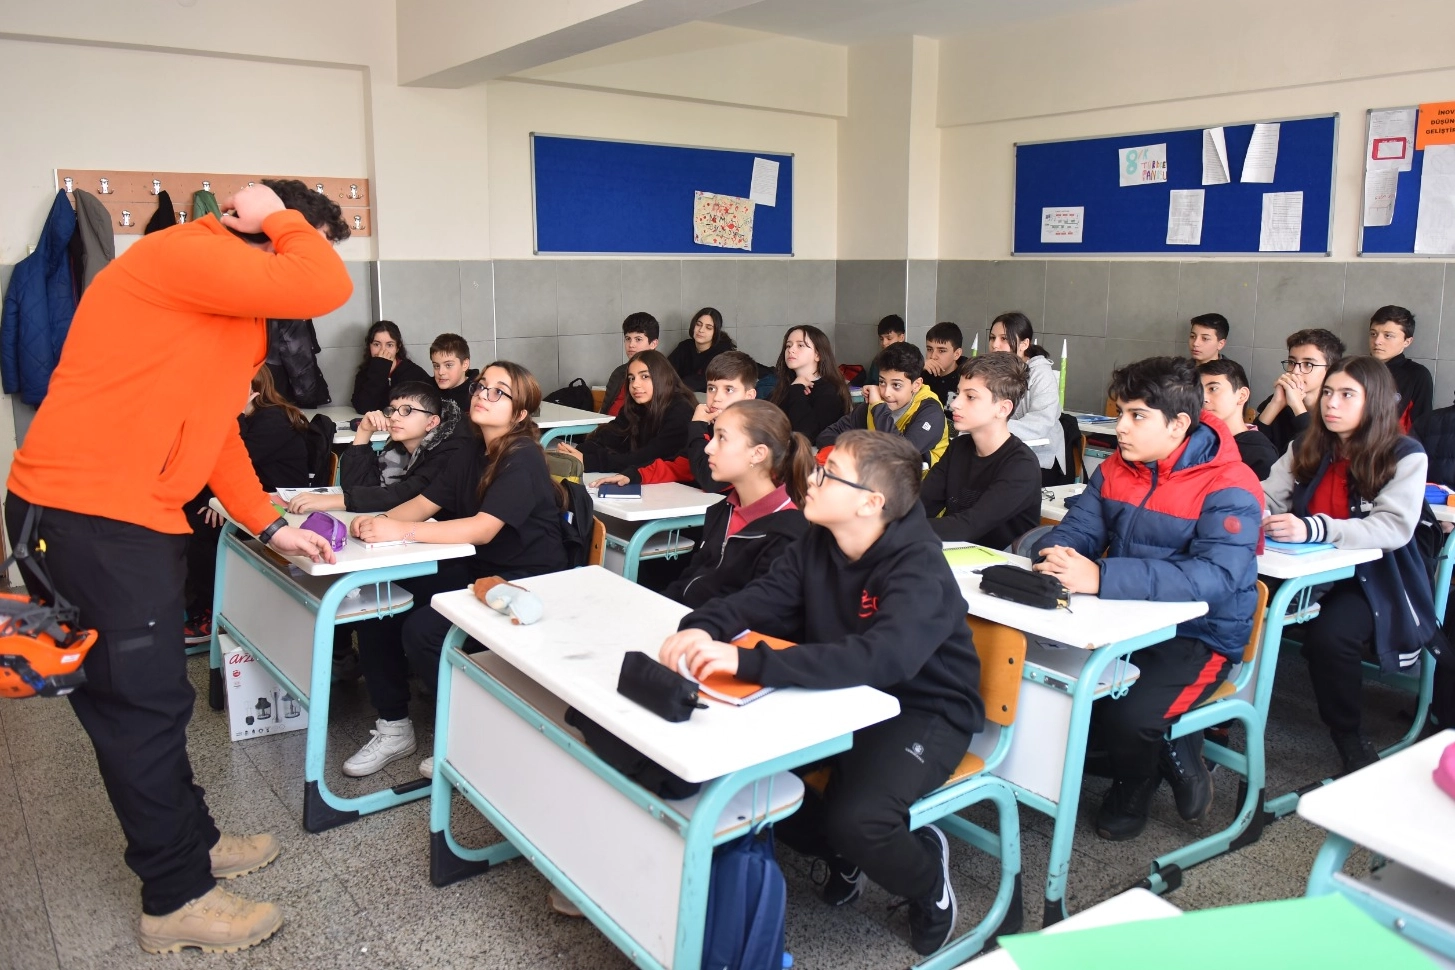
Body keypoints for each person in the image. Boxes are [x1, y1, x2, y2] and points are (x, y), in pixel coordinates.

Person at [4, 180, 350, 953]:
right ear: (261, 227)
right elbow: (324, 282)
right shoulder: (187, 254)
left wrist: (268, 525)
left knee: (156, 697)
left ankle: (194, 842)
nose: (295, 265)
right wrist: (275, 214)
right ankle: (174, 899)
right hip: (91, 514)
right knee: (139, 708)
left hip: (129, 514)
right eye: (290, 240)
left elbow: (215, 427)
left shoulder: (221, 300)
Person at [660, 431, 983, 957]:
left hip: (924, 708)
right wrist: (704, 625)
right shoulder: (819, 539)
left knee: (858, 820)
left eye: (829, 475)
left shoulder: (917, 565)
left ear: (870, 503)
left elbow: (884, 658)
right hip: (840, 694)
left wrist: (749, 663)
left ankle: (926, 879)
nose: (811, 478)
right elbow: (762, 597)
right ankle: (842, 855)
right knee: (750, 789)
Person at [1033, 357, 1261, 842]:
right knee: (1056, 696)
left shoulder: (1231, 482)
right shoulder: (1117, 467)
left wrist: (1102, 576)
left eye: (1137, 416)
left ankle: (1135, 786)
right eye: (1121, 413)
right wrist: (1056, 553)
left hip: (1201, 634)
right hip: (1125, 619)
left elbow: (1217, 576)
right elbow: (1080, 527)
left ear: (1178, 424)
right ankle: (1167, 748)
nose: (1121, 427)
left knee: (1129, 718)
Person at [342, 362, 571, 779]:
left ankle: (472, 735)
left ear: (520, 413)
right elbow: (425, 504)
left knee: (424, 630)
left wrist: (401, 531)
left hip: (523, 584)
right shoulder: (471, 449)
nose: (483, 394)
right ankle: (394, 727)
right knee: (379, 600)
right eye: (482, 386)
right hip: (477, 571)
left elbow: (483, 529)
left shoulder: (522, 457)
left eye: (499, 391)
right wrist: (377, 524)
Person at [1262, 356, 1440, 774]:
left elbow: (1392, 527)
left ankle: (1348, 734)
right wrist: (1246, 509)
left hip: (1372, 578)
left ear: (1373, 401)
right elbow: (1267, 495)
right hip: (1307, 571)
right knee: (1236, 605)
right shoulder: (1306, 445)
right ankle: (1214, 722)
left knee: (1332, 636)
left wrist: (1314, 528)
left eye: (1346, 395)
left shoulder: (1404, 454)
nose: (1331, 403)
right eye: (1327, 393)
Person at [183, 364, 314, 645]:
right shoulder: (252, 417)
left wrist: (237, 413)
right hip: (259, 497)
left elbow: (239, 460)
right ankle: (196, 605)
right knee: (189, 511)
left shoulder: (274, 419)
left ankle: (211, 610)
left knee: (200, 527)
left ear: (255, 390)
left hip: (280, 505)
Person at [661, 400, 811, 607]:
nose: (709, 448)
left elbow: (754, 612)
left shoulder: (786, 535)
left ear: (757, 453)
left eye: (722, 438)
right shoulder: (722, 511)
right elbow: (688, 582)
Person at [285, 381, 467, 515]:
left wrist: (334, 500)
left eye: (407, 411)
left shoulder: (448, 451)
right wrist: (364, 432)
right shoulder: (395, 447)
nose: (394, 417)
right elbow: (357, 486)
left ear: (432, 422)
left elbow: (407, 495)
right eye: (392, 409)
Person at [920, 353, 1041, 548]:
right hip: (956, 555)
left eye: (970, 397)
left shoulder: (1021, 466)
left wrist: (892, 528)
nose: (954, 404)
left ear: (1003, 409)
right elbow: (921, 504)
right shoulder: (959, 448)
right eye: (958, 393)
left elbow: (968, 526)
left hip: (1001, 563)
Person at [593, 350, 757, 489]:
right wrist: (634, 475)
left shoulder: (755, 437)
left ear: (749, 396)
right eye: (712, 388)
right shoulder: (711, 428)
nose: (717, 397)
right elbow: (680, 466)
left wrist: (697, 427)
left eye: (729, 390)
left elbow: (710, 480)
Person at [557, 350, 696, 474]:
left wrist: (589, 461)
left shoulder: (681, 411)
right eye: (631, 378)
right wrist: (577, 453)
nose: (635, 384)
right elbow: (609, 436)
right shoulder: (637, 406)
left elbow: (648, 458)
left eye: (644, 376)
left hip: (679, 488)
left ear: (662, 377)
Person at [816, 342, 948, 467]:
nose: (886, 393)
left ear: (916, 385)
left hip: (922, 481)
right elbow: (827, 436)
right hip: (879, 478)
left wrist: (878, 406)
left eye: (896, 385)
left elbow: (902, 453)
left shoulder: (930, 411)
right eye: (882, 382)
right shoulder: (873, 404)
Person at [988, 312, 1066, 485]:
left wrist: (992, 427)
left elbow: (1040, 424)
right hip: (1001, 454)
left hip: (1039, 460)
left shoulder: (1041, 374)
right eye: (992, 338)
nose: (995, 345)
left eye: (1004, 339)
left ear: (1024, 344)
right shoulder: (991, 373)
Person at [1254, 328, 1345, 456]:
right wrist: (1275, 404)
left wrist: (1297, 406)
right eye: (1292, 362)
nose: (1295, 371)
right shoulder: (1279, 400)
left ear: (1330, 370)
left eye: (1308, 364)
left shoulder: (1336, 410)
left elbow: (1318, 455)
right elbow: (1250, 449)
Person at [768, 325, 853, 442]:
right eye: (788, 345)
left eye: (800, 345)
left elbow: (806, 435)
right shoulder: (786, 385)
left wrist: (797, 390)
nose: (791, 350)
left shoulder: (830, 391)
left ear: (818, 355)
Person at [1198, 359, 1277, 480]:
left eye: (1213, 389)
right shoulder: (1195, 440)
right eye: (1198, 391)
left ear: (1242, 396)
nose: (1203, 399)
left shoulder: (1259, 453)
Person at [1368, 305, 1433, 432]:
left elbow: (1421, 427)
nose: (1377, 341)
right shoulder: (1356, 370)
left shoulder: (1416, 375)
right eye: (1373, 334)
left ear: (1407, 341)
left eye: (1388, 335)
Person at [350, 320, 431, 414]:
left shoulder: (414, 373)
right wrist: (379, 371)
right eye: (376, 344)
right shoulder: (363, 373)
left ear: (397, 348)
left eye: (389, 345)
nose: (383, 350)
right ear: (369, 346)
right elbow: (363, 408)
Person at [601, 311, 660, 416]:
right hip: (607, 423)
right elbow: (604, 410)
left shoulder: (662, 374)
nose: (631, 345)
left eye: (638, 339)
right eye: (628, 339)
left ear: (653, 344)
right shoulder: (619, 372)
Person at [667, 306, 735, 392]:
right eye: (698, 324)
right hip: (683, 393)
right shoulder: (684, 346)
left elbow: (703, 381)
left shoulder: (722, 354)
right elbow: (666, 370)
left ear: (716, 332)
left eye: (708, 328)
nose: (701, 330)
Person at [429, 332, 478, 415]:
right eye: (436, 366)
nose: (440, 372)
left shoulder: (478, 393)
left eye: (448, 365)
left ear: (465, 364)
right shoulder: (426, 389)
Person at [922, 322, 965, 407]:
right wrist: (916, 368)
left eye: (941, 351)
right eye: (929, 349)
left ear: (957, 354)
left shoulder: (966, 378)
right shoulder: (921, 373)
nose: (933, 356)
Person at [865, 314, 907, 387]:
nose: (884, 343)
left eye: (889, 338)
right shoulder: (878, 360)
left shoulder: (910, 360)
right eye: (881, 339)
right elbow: (869, 385)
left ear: (901, 337)